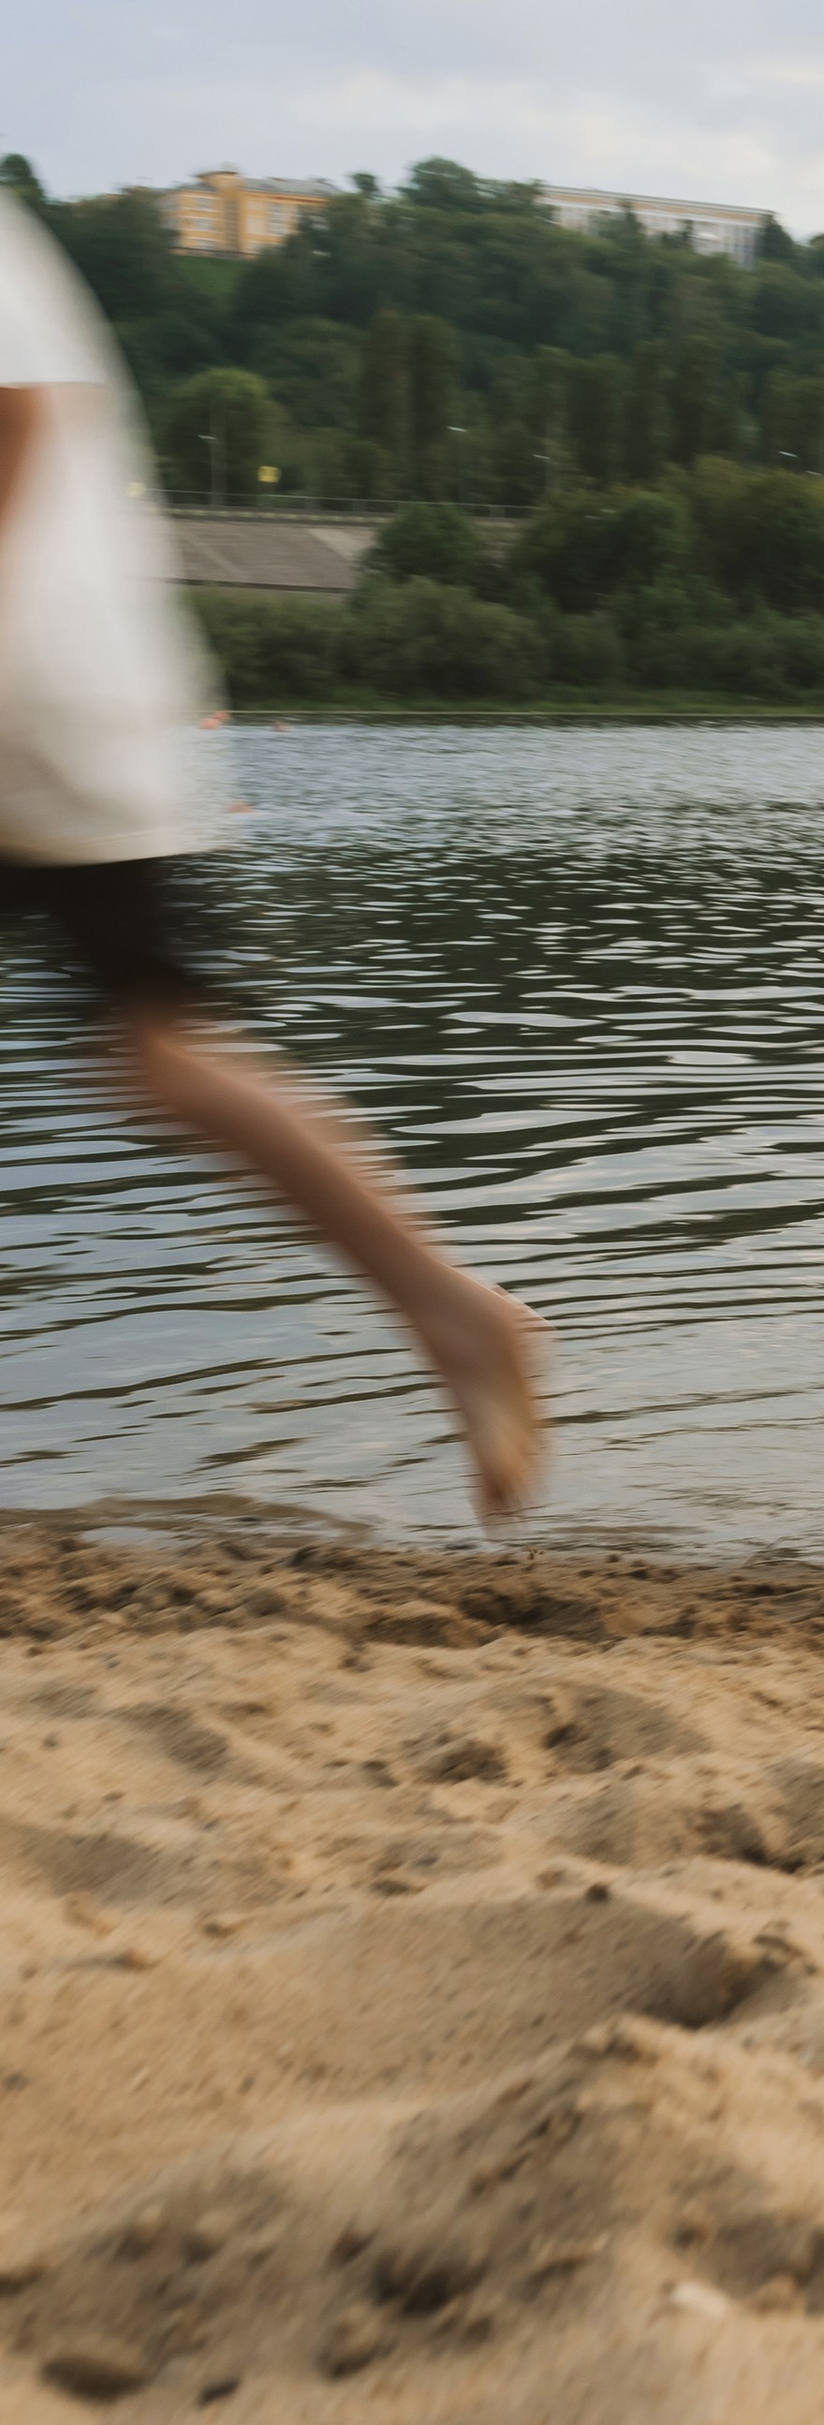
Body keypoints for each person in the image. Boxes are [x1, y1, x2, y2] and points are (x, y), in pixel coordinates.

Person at [0, 185, 545, 1521]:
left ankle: (455, 1307)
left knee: (162, 1043)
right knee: (161, 1045)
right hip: (59, 693)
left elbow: (19, 423)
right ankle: (451, 1307)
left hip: (35, 691)